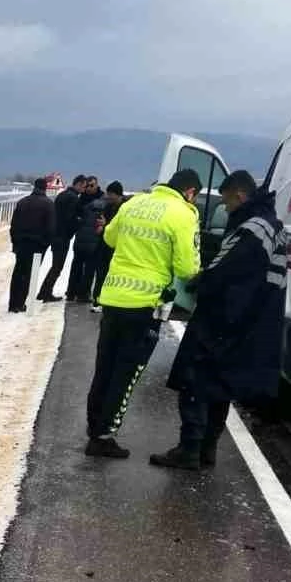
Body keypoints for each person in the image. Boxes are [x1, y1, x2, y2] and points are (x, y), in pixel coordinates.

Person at [151, 170, 287, 470]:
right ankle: (207, 449)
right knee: (219, 386)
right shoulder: (271, 226)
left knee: (195, 381)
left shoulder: (253, 228)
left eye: (226, 202)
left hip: (225, 319)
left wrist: (197, 282)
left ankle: (190, 449)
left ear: (239, 195)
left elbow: (227, 269)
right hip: (248, 320)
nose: (225, 208)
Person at [83, 167, 202, 457]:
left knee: (105, 366)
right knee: (126, 372)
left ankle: (93, 426)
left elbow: (110, 238)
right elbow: (187, 268)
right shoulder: (184, 215)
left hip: (113, 297)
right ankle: (103, 436)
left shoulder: (134, 203)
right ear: (190, 192)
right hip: (145, 304)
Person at [8, 178, 56, 312]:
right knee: (30, 274)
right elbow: (51, 228)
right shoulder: (48, 204)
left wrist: (15, 243)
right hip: (37, 246)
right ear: (45, 188)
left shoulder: (22, 202)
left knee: (18, 273)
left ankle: (13, 304)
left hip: (21, 245)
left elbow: (13, 226)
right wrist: (45, 244)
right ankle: (22, 303)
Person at [38, 175, 86, 301]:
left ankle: (44, 291)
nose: (84, 189)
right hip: (62, 236)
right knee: (57, 266)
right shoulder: (73, 198)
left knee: (55, 265)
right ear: (79, 184)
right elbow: (69, 219)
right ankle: (46, 292)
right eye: (84, 186)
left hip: (55, 234)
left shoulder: (62, 195)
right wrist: (79, 224)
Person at [68, 177, 106, 303]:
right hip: (80, 239)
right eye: (87, 186)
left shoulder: (103, 200)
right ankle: (71, 292)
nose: (89, 188)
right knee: (76, 267)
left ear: (96, 185)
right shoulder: (80, 199)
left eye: (92, 185)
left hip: (94, 240)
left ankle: (83, 294)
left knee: (89, 269)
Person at [91, 181, 126, 309]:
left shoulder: (124, 209)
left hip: (116, 248)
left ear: (118, 194)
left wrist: (106, 225)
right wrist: (100, 227)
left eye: (110, 194)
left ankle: (108, 301)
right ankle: (97, 300)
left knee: (111, 276)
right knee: (100, 274)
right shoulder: (108, 206)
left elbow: (120, 228)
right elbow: (100, 222)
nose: (108, 196)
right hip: (103, 245)